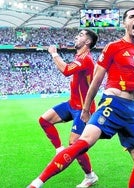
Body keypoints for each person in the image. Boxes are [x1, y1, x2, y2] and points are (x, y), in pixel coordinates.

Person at [27, 7, 134, 188]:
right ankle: (36, 184)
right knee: (81, 143)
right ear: (124, 23)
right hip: (112, 104)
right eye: (132, 17)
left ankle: (87, 174)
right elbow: (96, 81)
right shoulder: (113, 47)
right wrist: (86, 108)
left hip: (132, 110)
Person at [37, 29, 99, 187]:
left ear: (88, 42)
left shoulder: (86, 59)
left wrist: (54, 53)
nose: (76, 36)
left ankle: (90, 176)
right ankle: (59, 150)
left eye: (81, 35)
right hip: (72, 103)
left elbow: (65, 70)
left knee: (75, 144)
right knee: (44, 120)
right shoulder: (79, 57)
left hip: (84, 108)